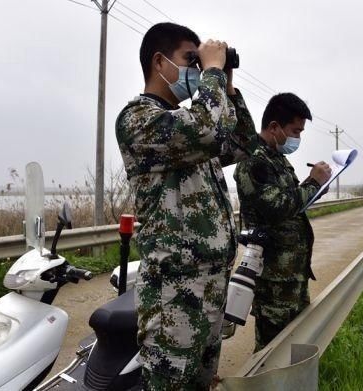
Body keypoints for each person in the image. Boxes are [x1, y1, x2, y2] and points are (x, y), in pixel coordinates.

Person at [115, 22, 259, 390]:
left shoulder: (193, 128)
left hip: (210, 285)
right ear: (160, 62)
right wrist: (210, 71)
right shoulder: (139, 119)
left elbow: (243, 144)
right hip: (173, 294)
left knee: (200, 384)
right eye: (189, 60)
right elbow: (207, 130)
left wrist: (226, 83)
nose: (196, 71)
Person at [233, 93, 332, 352]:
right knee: (271, 353)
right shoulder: (253, 161)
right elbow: (277, 207)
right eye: (295, 131)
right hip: (274, 280)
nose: (297, 138)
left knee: (294, 348)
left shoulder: (276, 159)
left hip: (292, 276)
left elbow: (291, 200)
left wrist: (316, 188)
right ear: (274, 127)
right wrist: (313, 183)